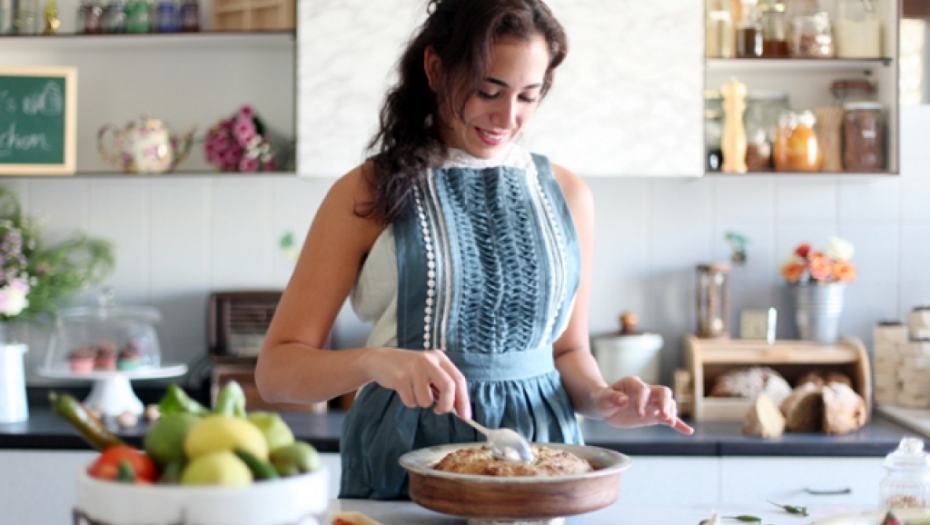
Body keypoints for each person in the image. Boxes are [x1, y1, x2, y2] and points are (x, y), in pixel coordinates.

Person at [255, 0, 693, 500]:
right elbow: (276, 374)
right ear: (436, 68)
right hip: (406, 468)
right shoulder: (367, 192)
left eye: (529, 96)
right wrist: (375, 362)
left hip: (542, 466)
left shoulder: (568, 194)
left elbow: (568, 353)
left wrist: (605, 398)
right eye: (489, 91)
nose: (508, 117)